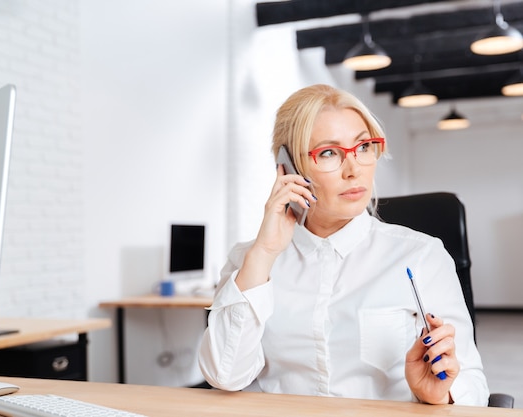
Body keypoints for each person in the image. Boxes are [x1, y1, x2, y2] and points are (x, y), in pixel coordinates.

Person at [198, 84, 488, 406]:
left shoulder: (421, 257)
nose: (354, 170)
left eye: (363, 147)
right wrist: (264, 255)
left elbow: (473, 385)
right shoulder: (250, 260)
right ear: (288, 168)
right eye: (328, 153)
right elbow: (225, 376)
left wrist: (441, 394)